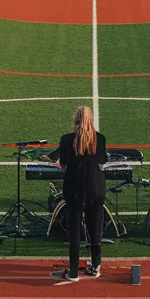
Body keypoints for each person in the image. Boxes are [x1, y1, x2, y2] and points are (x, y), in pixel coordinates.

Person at [48, 105, 107, 282]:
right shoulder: (100, 139)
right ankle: (96, 266)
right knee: (95, 229)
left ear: (76, 119)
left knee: (74, 232)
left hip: (74, 190)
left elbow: (63, 162)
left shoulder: (67, 140)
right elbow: (103, 160)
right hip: (95, 189)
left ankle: (73, 272)